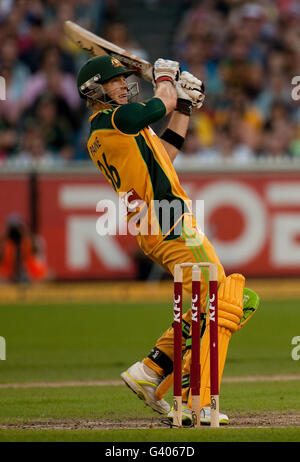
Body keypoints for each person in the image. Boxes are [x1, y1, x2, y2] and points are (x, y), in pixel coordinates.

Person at [77, 55, 259, 425]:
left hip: (156, 223)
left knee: (220, 301)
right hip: (168, 218)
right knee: (223, 301)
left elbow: (167, 153)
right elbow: (158, 104)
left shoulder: (117, 129)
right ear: (95, 90)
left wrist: (186, 105)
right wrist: (166, 80)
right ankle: (196, 400)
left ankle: (153, 369)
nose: (125, 85)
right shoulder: (112, 121)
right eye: (116, 81)